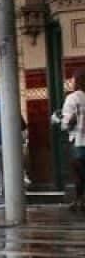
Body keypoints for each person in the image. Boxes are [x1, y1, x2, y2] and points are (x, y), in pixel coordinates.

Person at [52, 70, 85, 211]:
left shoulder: (73, 98)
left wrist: (56, 118)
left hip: (79, 141)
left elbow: (67, 123)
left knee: (79, 174)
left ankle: (79, 200)